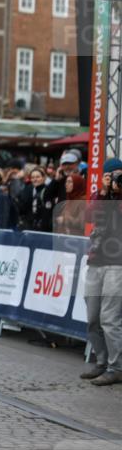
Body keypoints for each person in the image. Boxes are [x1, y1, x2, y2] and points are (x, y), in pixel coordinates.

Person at [81, 157, 122, 386]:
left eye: (119, 174)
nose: (116, 177)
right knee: (92, 318)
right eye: (111, 174)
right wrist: (105, 191)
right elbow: (89, 216)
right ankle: (102, 361)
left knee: (110, 318)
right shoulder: (101, 194)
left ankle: (117, 367)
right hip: (96, 260)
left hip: (118, 263)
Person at [17, 166, 55, 232]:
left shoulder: (48, 191)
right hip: (30, 227)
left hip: (44, 228)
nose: (35, 179)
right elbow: (22, 208)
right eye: (33, 177)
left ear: (44, 178)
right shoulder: (27, 190)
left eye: (38, 177)